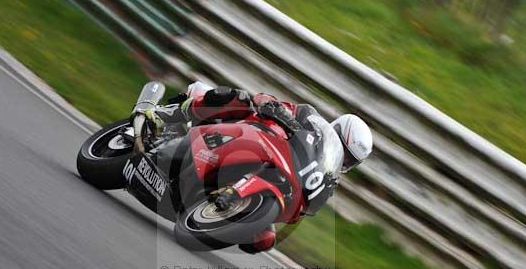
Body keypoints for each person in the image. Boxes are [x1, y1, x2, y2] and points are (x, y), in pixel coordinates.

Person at [140, 84, 373, 253]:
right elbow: (266, 99)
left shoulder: (325, 176)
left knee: (264, 240)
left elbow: (296, 213)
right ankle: (167, 114)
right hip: (247, 136)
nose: (344, 161)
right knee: (240, 99)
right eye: (345, 151)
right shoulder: (309, 118)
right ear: (337, 132)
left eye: (350, 161)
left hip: (269, 173)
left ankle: (214, 205)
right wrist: (278, 110)